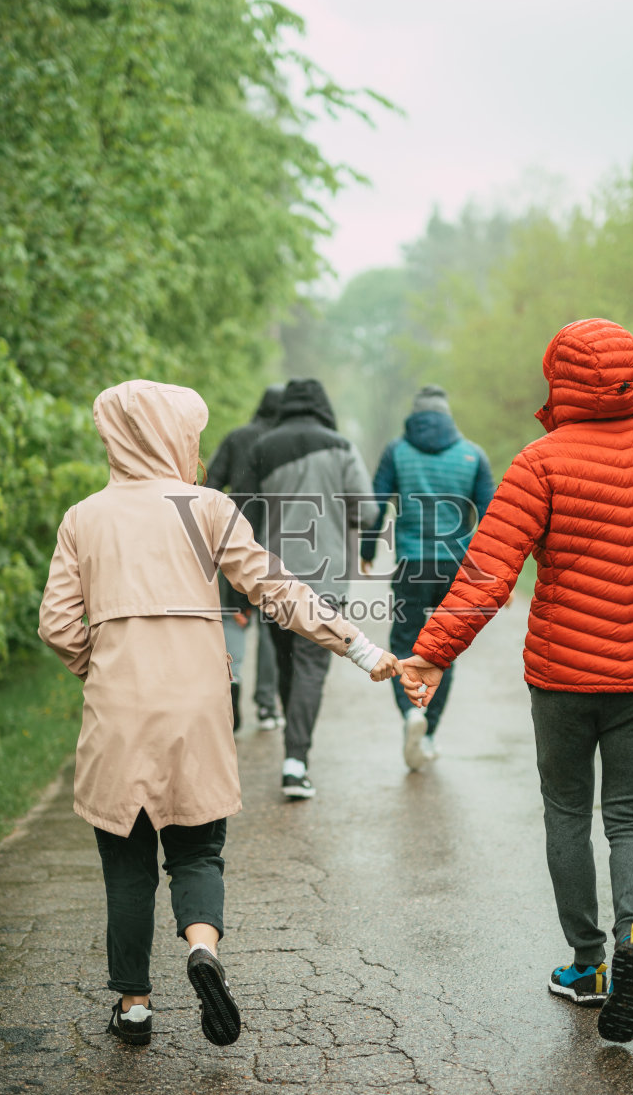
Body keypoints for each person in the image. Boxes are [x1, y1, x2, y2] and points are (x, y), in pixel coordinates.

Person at [39, 380, 398, 1049]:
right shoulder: (206, 508)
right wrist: (358, 646)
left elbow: (57, 625)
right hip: (197, 711)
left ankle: (135, 1006)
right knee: (198, 852)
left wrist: (102, 667)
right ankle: (202, 948)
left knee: (127, 865)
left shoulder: (83, 518)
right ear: (174, 436)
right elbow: (275, 589)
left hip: (118, 713)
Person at [400, 320, 633, 1044]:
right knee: (632, 820)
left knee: (567, 812)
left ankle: (589, 965)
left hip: (563, 679)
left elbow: (488, 572)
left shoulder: (540, 462)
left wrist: (432, 654)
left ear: (559, 379)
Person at [238, 377, 379, 802]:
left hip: (272, 578)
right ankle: (296, 762)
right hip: (326, 578)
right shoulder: (341, 447)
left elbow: (242, 516)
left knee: (287, 664)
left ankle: (293, 753)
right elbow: (368, 512)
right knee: (311, 667)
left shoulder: (262, 447)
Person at [361, 384, 495, 771]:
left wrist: (367, 550)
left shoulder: (397, 451)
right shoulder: (473, 454)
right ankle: (430, 731)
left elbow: (376, 503)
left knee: (404, 643)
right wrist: (490, 569)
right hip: (455, 568)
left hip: (411, 565)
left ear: (415, 415)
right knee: (444, 649)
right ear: (447, 415)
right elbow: (492, 516)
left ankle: (410, 713)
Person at [206, 385, 285, 733]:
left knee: (234, 615)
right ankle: (267, 705)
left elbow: (210, 483)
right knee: (271, 625)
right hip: (277, 542)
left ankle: (232, 681)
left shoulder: (238, 438)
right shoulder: (284, 444)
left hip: (235, 539)